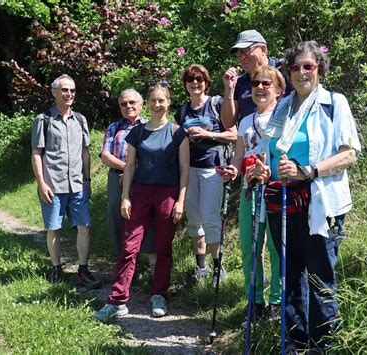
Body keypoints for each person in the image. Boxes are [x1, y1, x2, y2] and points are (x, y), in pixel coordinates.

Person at [253, 41, 361, 352]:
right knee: (290, 275)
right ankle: (296, 342)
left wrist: (308, 171)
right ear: (288, 71)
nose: (301, 72)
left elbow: (348, 155)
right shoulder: (284, 106)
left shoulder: (333, 103)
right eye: (295, 66)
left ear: (319, 69)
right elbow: (268, 150)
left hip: (320, 204)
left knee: (319, 276)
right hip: (281, 202)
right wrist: (262, 169)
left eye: (308, 66)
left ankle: (323, 344)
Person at [94, 82, 189, 320]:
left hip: (168, 194)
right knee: (129, 247)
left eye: (161, 100)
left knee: (163, 247)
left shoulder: (178, 132)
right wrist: (125, 197)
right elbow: (130, 166)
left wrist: (181, 201)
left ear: (168, 103)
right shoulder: (137, 132)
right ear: (147, 104)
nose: (157, 105)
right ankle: (117, 301)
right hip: (141, 193)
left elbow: (185, 171)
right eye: (153, 100)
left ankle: (159, 295)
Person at [222, 66, 284, 323]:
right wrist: (233, 171)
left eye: (267, 84)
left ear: (279, 91)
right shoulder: (246, 121)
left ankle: (277, 303)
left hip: (275, 188)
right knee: (249, 247)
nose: (260, 88)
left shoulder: (283, 118)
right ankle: (255, 301)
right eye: (256, 83)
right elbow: (239, 156)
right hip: (250, 190)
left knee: (275, 247)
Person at [31, 74, 101, 289]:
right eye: (64, 90)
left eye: (72, 90)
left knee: (85, 226)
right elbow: (36, 153)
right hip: (53, 184)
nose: (69, 94)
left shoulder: (80, 120)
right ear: (54, 92)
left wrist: (88, 180)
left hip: (78, 184)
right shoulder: (43, 120)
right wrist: (41, 183)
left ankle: (82, 269)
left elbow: (85, 152)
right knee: (54, 228)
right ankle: (56, 269)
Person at [174, 64, 237, 285]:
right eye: (190, 79)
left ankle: (219, 267)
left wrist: (207, 134)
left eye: (199, 79)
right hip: (188, 170)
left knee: (210, 218)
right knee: (194, 220)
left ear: (206, 83)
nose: (195, 83)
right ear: (185, 85)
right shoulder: (182, 111)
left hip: (213, 169)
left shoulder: (216, 104)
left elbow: (234, 135)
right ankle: (201, 267)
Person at [100, 89, 156, 275]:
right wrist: (127, 168)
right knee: (117, 216)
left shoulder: (150, 125)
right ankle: (124, 266)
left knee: (147, 218)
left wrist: (135, 171)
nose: (128, 106)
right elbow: (105, 155)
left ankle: (151, 268)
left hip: (145, 179)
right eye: (124, 104)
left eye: (132, 102)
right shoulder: (114, 127)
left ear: (141, 105)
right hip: (118, 177)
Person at [221, 29, 289, 129]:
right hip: (250, 142)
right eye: (239, 54)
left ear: (263, 49)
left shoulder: (285, 71)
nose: (242, 57)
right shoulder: (239, 83)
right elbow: (228, 123)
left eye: (246, 51)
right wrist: (229, 90)